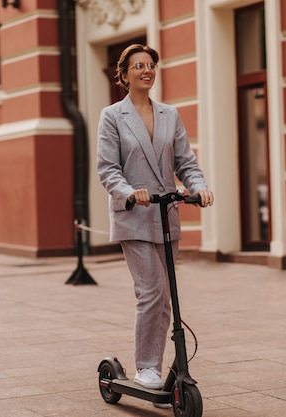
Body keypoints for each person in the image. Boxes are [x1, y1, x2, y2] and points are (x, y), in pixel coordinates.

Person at [97, 44, 214, 399]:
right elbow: (107, 169)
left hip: (165, 214)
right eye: (139, 66)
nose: (147, 70)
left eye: (151, 65)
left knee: (165, 297)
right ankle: (146, 366)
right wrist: (131, 191)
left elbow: (185, 162)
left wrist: (198, 186)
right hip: (134, 216)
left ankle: (157, 364)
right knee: (151, 292)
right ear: (125, 74)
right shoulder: (113, 116)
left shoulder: (170, 114)